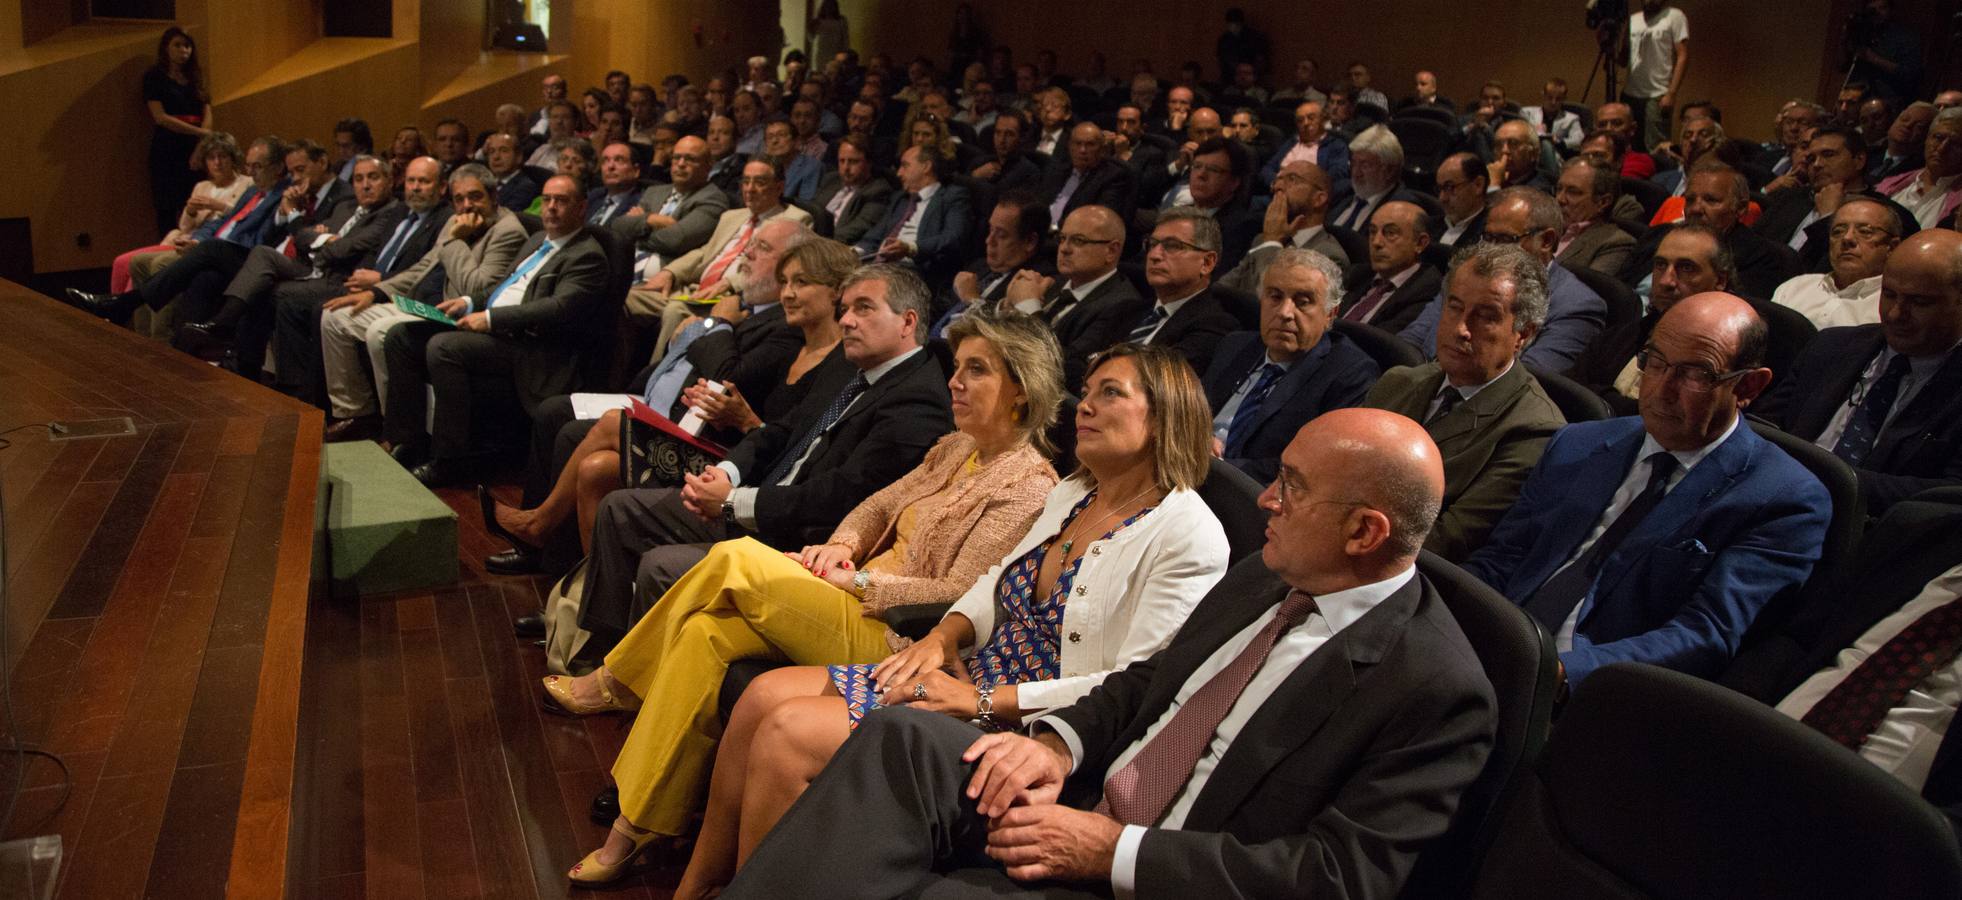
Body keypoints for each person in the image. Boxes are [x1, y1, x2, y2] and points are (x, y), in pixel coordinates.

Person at [721, 405, 1494, 899]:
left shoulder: (1434, 687)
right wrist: (1058, 747)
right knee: (901, 738)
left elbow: (1337, 879)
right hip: (1083, 796)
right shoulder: (1268, 573)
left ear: (1364, 533)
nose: (1265, 499)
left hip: (1155, 874)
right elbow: (1154, 677)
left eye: (1290, 487)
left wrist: (1115, 851)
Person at [672, 342, 1233, 896]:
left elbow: (1134, 687)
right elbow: (995, 581)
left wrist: (981, 701)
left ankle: (753, 887)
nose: (1084, 406)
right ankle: (700, 886)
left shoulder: (1188, 534)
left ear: (1165, 417)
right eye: (1086, 393)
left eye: (1111, 394)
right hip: (964, 677)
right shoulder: (1077, 492)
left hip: (1025, 732)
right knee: (762, 697)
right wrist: (942, 637)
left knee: (788, 733)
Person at [555, 314, 1081, 885]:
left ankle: (615, 676)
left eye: (975, 371)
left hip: (898, 632)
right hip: (848, 593)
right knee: (706, 636)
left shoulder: (1030, 486)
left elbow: (960, 595)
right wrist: (840, 545)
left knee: (735, 559)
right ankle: (635, 830)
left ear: (1022, 392)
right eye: (956, 368)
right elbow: (877, 506)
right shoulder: (957, 447)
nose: (954, 381)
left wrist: (854, 582)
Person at [572, 265, 955, 653]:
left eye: (864, 308)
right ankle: (601, 647)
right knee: (620, 509)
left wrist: (732, 503)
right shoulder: (854, 366)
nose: (847, 321)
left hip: (800, 542)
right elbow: (780, 430)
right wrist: (723, 474)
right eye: (844, 309)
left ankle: (631, 681)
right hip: (761, 504)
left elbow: (839, 497)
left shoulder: (918, 400)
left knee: (661, 565)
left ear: (908, 321)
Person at [1463, 292, 1831, 684]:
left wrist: (1556, 674)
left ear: (1749, 387)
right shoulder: (1579, 444)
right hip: (1492, 647)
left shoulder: (1784, 499)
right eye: (1654, 362)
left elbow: (1703, 634)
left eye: (1696, 374)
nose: (1660, 389)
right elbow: (1503, 557)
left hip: (1591, 690)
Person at [491, 232, 844, 569]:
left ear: (836, 292)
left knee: (615, 420)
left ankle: (538, 525)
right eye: (784, 283)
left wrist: (746, 420)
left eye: (801, 283)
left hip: (743, 474)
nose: (787, 294)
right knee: (596, 468)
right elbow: (743, 396)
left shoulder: (832, 361)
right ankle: (579, 592)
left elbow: (793, 444)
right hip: (731, 449)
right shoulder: (796, 344)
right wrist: (723, 409)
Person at [386, 173, 613, 485]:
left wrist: (491, 319)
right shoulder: (537, 241)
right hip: (498, 330)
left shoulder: (587, 255)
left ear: (581, 208)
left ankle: (449, 460)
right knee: (402, 337)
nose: (551, 208)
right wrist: (467, 303)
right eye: (547, 200)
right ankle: (409, 443)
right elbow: (504, 289)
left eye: (561, 201)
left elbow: (557, 309)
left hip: (531, 347)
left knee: (444, 347)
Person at [1366, 244, 1566, 561]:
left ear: (1524, 334)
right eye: (1455, 308)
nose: (1460, 329)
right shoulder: (1400, 382)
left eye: (1485, 317)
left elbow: (1447, 540)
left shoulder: (1534, 431)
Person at [315, 162, 528, 454]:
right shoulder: (459, 221)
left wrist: (455, 240)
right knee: (336, 318)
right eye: (459, 199)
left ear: (494, 197)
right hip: (431, 304)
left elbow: (475, 288)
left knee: (380, 332)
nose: (467, 205)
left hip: (465, 317)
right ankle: (357, 413)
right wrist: (377, 292)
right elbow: (423, 267)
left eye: (475, 197)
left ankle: (398, 430)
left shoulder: (507, 231)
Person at [1754, 229, 1962, 514]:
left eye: (1919, 302)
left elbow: (1948, 495)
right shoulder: (1832, 346)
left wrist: (1818, 477)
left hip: (1871, 534)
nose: (1894, 314)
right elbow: (1764, 427)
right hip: (1767, 503)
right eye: (1889, 295)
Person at [178, 154, 403, 375]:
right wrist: (322, 239)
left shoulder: (391, 212)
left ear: (389, 180)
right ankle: (225, 327)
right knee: (262, 255)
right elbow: (303, 237)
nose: (365, 185)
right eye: (359, 179)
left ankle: (251, 364)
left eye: (373, 177)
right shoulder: (346, 206)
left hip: (338, 278)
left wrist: (317, 237)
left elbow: (341, 250)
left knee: (268, 290)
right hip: (311, 266)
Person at [66, 135, 289, 326]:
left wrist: (203, 244)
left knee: (205, 251)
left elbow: (265, 238)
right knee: (205, 278)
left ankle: (123, 304)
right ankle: (180, 347)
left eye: (258, 166)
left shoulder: (284, 194)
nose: (252, 172)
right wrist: (197, 238)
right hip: (217, 253)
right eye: (250, 166)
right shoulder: (253, 192)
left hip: (247, 256)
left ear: (279, 167)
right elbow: (222, 224)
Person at [1204, 248, 1376, 482]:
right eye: (1275, 297)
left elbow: (1310, 465)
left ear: (1330, 314)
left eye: (1302, 302)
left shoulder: (1349, 374)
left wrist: (1214, 465)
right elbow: (1190, 413)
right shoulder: (1234, 345)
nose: (1285, 313)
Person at [1400, 187, 1609, 373]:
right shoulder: (1467, 276)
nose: (1490, 250)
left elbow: (1529, 379)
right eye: (1488, 238)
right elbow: (1412, 341)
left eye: (1504, 240)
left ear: (1546, 241)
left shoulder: (1577, 306)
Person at [632, 157, 813, 361]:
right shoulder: (732, 216)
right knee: (626, 297)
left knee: (675, 311)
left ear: (779, 186)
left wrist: (729, 282)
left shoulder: (794, 220)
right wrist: (670, 272)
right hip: (694, 290)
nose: (750, 189)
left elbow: (781, 266)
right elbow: (704, 252)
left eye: (759, 182)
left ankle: (652, 380)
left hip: (731, 297)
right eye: (745, 181)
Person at [1000, 205, 1143, 390]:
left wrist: (1027, 306)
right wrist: (1008, 304)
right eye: (1062, 238)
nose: (1064, 249)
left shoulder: (1122, 305)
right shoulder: (1054, 281)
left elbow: (1064, 367)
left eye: (1078, 241)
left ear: (1112, 251)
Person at [111, 132, 249, 296]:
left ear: (233, 158)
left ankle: (128, 309)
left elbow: (246, 217)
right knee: (123, 262)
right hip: (186, 238)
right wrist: (190, 211)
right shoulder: (202, 186)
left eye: (222, 157)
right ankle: (119, 312)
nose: (217, 163)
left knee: (151, 264)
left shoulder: (247, 184)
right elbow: (184, 226)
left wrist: (218, 206)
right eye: (211, 158)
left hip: (214, 242)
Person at [1115, 208, 1239, 376]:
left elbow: (1158, 385)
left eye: (1172, 246)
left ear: (1207, 263)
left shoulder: (1214, 325)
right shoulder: (1128, 309)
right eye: (1152, 244)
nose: (1154, 255)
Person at [1766, 198, 1900, 330]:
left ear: (1892, 247)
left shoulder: (1893, 305)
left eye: (1865, 231)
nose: (1847, 238)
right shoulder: (1795, 287)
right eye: (1838, 231)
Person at [1217, 161, 1347, 293]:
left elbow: (1274, 301)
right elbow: (1221, 289)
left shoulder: (1329, 255)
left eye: (1292, 179)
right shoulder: (1263, 239)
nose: (1277, 187)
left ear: (1319, 199)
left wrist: (1272, 243)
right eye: (1277, 180)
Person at [934, 193, 1049, 337]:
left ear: (1029, 242)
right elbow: (939, 307)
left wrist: (973, 300)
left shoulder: (1032, 284)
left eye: (1001, 235)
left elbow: (1002, 336)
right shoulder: (979, 266)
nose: (989, 240)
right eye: (990, 230)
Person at [857, 144, 974, 284]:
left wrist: (909, 248)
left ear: (926, 167)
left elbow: (953, 238)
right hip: (877, 268)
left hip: (915, 273)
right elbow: (875, 236)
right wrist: (852, 252)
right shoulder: (901, 199)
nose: (899, 173)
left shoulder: (952, 196)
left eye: (905, 166)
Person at [613, 135, 730, 271]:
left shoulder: (713, 198)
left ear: (708, 165)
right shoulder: (654, 192)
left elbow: (676, 241)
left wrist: (635, 233)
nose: (680, 164)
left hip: (665, 276)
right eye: (676, 157)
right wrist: (652, 219)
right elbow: (618, 226)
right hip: (626, 266)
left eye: (690, 159)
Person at [143, 28, 215, 235]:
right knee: (166, 204)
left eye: (187, 46)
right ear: (166, 47)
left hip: (196, 145)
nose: (183, 50)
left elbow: (207, 112)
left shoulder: (195, 76)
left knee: (194, 200)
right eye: (177, 45)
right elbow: (160, 117)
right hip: (167, 144)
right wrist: (200, 134)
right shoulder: (154, 76)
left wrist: (200, 145)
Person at [1338, 200, 1439, 331]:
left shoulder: (1426, 291)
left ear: (1420, 243)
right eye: (1373, 232)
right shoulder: (1357, 274)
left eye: (1391, 233)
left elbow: (1384, 343)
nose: (1376, 242)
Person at [1037, 122, 1140, 229]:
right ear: (1069, 146)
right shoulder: (1057, 171)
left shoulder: (1113, 177)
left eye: (1090, 144)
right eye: (1077, 143)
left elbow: (1099, 220)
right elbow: (1040, 204)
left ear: (1101, 149)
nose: (1082, 150)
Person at [1877, 108, 1962, 230]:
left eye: (1956, 143)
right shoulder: (1891, 185)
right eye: (1938, 137)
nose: (1942, 148)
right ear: (1927, 139)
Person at [1623, 0, 1690, 152]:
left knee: (1656, 146)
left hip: (1657, 93)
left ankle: (1659, 176)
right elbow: (1623, 57)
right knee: (1630, 143)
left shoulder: (1674, 16)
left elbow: (1683, 56)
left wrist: (1671, 93)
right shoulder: (1633, 19)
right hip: (1631, 92)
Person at [1555, 158, 1636, 275]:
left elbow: (1584, 291)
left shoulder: (1616, 243)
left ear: (1602, 202)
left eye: (1573, 192)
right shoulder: (1543, 227)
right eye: (1559, 189)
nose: (1560, 199)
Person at [1328, 125, 1414, 231]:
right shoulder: (1342, 191)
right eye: (1354, 163)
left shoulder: (1402, 208)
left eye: (1364, 165)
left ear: (1389, 171)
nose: (1356, 172)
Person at [1257, 100, 1350, 194]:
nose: (1305, 123)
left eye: (1311, 118)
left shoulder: (1335, 145)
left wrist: (1303, 184)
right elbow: (1267, 168)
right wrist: (1276, 182)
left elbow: (1338, 172)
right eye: (1300, 120)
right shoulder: (1291, 143)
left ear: (1323, 120)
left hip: (1308, 196)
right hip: (1279, 191)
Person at [1433, 153, 1491, 250]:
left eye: (1449, 187)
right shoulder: (1429, 227)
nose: (1442, 198)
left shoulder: (1491, 234)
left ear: (1478, 185)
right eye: (1440, 189)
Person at [1522, 77, 1587, 152]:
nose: (1553, 102)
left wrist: (1559, 141)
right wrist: (1533, 131)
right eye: (1550, 97)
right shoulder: (1527, 113)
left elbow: (1579, 140)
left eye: (1558, 99)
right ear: (1543, 95)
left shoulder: (1571, 119)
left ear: (1564, 99)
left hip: (1556, 155)